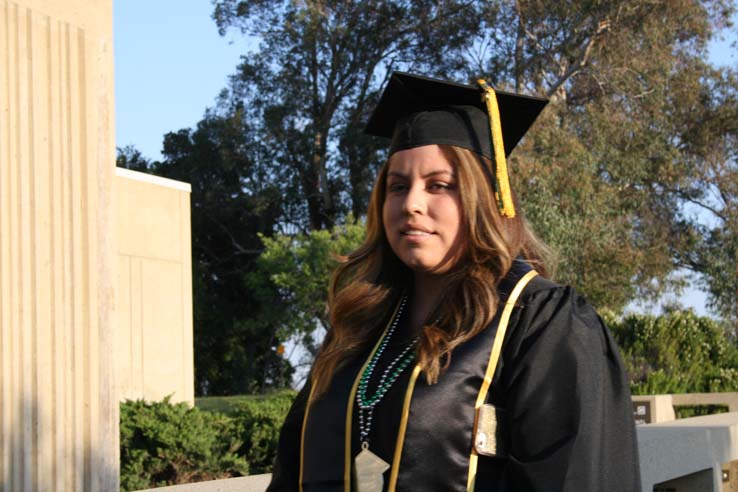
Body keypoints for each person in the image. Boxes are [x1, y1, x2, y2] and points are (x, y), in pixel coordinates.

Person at [266, 72, 641, 492]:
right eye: (397, 186)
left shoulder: (541, 323)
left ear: (484, 196)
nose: (411, 204)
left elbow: (574, 478)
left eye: (439, 185)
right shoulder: (356, 328)